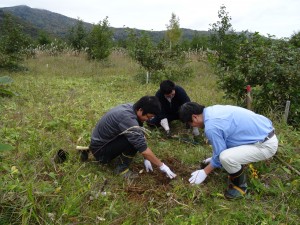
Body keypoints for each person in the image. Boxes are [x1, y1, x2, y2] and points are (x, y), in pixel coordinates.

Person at [179, 102, 278, 199]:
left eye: (190, 123)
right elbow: (224, 139)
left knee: (225, 157)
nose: (193, 126)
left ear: (194, 117)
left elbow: (220, 153)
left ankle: (240, 187)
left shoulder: (211, 127)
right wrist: (213, 159)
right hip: (265, 132)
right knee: (221, 156)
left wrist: (205, 172)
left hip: (266, 146)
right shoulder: (212, 110)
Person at [89, 96, 176, 179]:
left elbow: (140, 134)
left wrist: (146, 159)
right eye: (148, 117)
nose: (148, 120)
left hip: (101, 144)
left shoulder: (132, 108)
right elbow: (141, 145)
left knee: (136, 135)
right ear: (141, 110)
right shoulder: (127, 118)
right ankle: (121, 170)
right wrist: (162, 166)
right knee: (133, 141)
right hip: (100, 152)